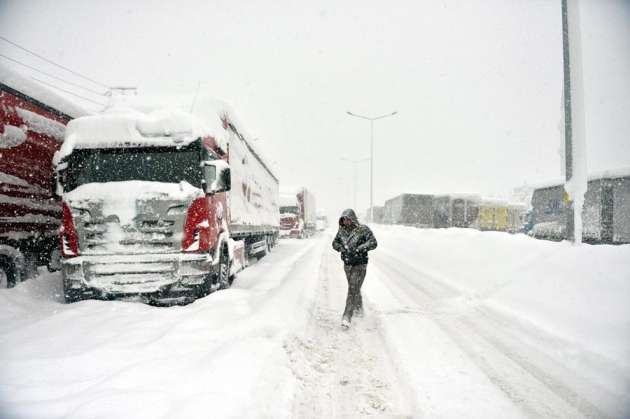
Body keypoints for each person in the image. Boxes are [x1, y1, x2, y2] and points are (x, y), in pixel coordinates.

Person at [332, 209, 378, 329]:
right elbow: (334, 243)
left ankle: (347, 317)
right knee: (354, 289)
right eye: (343, 219)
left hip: (360, 264)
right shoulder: (341, 231)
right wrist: (341, 248)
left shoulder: (363, 229)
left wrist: (360, 248)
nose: (346, 221)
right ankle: (359, 311)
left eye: (347, 219)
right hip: (347, 265)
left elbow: (373, 242)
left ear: (353, 218)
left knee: (352, 289)